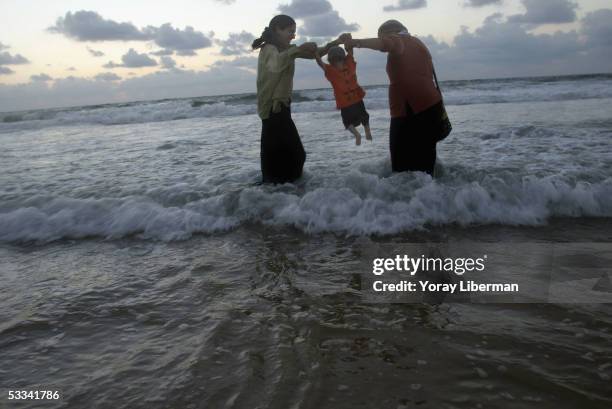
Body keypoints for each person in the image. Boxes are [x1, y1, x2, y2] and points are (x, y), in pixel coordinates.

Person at [346, 20, 445, 175]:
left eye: (380, 36)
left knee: (400, 166)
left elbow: (387, 44)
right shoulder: (417, 43)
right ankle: (434, 196)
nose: (380, 39)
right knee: (426, 164)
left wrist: (356, 43)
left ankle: (403, 198)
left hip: (410, 109)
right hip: (432, 106)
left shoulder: (398, 40)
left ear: (389, 32)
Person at [252, 15, 319, 184]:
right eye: (290, 31)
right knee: (295, 154)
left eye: (294, 32)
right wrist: (297, 49)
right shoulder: (269, 49)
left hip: (281, 108)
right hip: (273, 109)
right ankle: (282, 192)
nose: (293, 35)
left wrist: (336, 44)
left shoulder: (286, 50)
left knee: (279, 156)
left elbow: (314, 54)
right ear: (277, 29)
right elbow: (276, 65)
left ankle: (277, 192)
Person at [314, 39, 372, 146]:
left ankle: (357, 135)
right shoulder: (350, 65)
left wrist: (316, 53)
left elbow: (320, 63)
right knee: (364, 116)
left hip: (345, 103)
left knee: (347, 122)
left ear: (330, 60)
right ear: (343, 57)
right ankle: (367, 130)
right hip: (357, 98)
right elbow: (350, 52)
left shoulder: (330, 71)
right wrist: (348, 43)